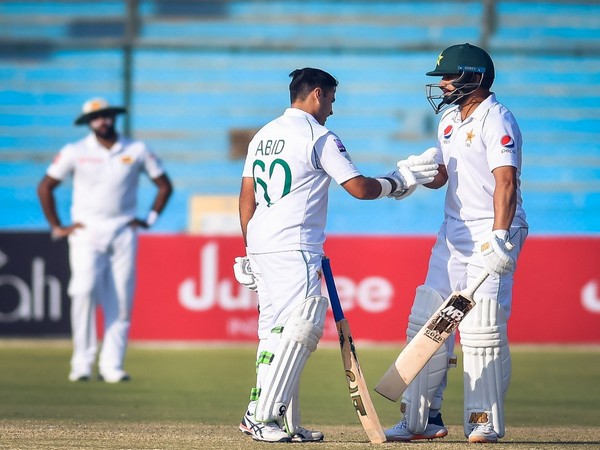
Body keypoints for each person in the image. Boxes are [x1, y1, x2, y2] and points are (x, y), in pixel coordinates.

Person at [233, 67, 438, 443]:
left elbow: (247, 198)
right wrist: (400, 182)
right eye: (330, 100)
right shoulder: (319, 136)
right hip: (293, 245)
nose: (331, 110)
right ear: (316, 94)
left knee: (274, 335)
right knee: (299, 328)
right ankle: (259, 417)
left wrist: (249, 250)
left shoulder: (263, 135)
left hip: (263, 244)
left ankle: (284, 421)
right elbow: (358, 188)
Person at [384, 43, 528, 444]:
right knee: (428, 321)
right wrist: (417, 175)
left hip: (493, 231)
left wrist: (500, 235)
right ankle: (422, 419)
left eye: (449, 77)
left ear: (475, 78)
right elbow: (444, 176)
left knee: (481, 328)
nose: (443, 84)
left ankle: (483, 420)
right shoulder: (449, 118)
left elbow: (506, 181)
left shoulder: (497, 118)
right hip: (453, 232)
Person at [37, 97, 173, 383]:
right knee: (84, 291)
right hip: (86, 231)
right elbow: (46, 186)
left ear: (114, 118)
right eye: (97, 117)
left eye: (107, 116)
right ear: (89, 122)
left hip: (123, 230)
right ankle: (82, 363)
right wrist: (57, 226)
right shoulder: (75, 151)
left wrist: (148, 220)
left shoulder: (135, 149)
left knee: (121, 299)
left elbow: (164, 185)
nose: (103, 121)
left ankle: (112, 365)